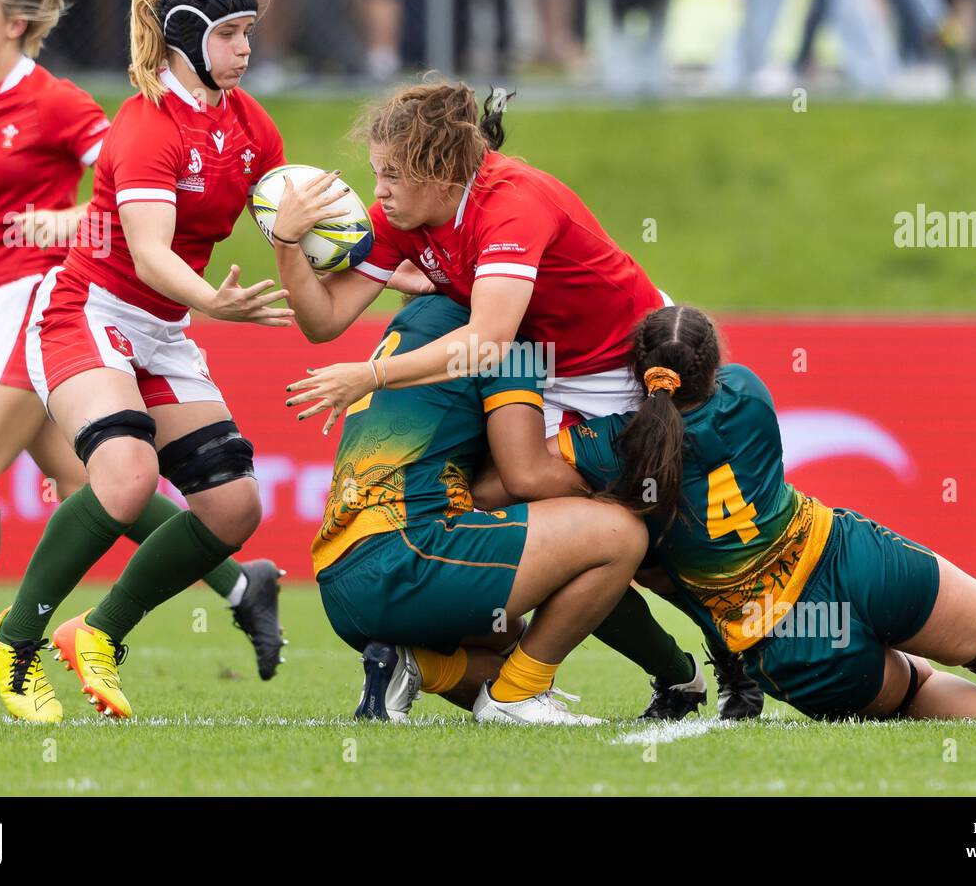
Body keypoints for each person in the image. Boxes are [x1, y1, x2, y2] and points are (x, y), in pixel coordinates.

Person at [0, 0, 281, 698]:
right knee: (104, 479)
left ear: (17, 24)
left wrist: (69, 222)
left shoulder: (54, 100)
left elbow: (116, 181)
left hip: (49, 305)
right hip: (3, 305)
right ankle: (240, 588)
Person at [271, 77, 760, 720]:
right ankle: (581, 677)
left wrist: (372, 376)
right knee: (507, 517)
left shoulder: (512, 203)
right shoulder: (406, 217)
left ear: (443, 173)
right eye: (375, 173)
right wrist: (285, 244)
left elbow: (489, 336)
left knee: (653, 538)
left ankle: (732, 666)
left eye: (392, 174)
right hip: (544, 374)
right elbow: (324, 322)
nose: (378, 191)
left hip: (628, 379)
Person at [554, 306, 976, 723]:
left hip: (791, 641)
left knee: (916, 689)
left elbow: (524, 476)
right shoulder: (746, 389)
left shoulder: (614, 447)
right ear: (711, 364)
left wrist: (518, 386)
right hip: (852, 557)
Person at [0, 0, 293, 723]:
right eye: (229, 33)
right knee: (125, 476)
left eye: (248, 31)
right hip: (89, 311)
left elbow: (294, 232)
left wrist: (383, 267)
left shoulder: (253, 127)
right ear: (185, 38)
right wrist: (216, 302)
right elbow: (151, 254)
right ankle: (16, 640)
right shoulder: (147, 124)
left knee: (233, 507)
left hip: (164, 329)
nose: (244, 48)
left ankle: (102, 631)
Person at [314, 294, 645, 724]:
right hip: (407, 557)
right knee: (620, 533)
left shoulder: (418, 316)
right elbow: (526, 477)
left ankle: (409, 664)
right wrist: (613, 479)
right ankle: (518, 698)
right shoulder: (506, 339)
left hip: (342, 578)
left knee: (507, 641)